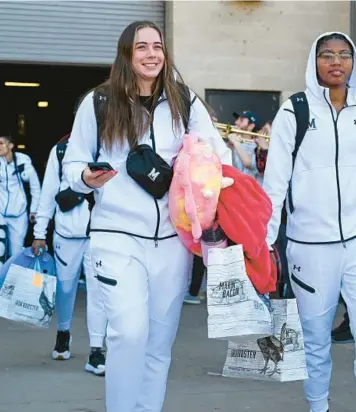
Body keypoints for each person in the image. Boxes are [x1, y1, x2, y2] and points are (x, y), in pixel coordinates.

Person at [62, 20, 231, 412]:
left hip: (173, 241)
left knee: (158, 343)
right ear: (127, 54)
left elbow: (216, 155)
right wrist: (87, 177)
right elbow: (72, 164)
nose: (152, 53)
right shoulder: (99, 102)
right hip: (117, 235)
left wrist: (212, 180)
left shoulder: (184, 100)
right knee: (129, 333)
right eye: (142, 47)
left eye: (157, 46)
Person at [262, 32, 356, 412]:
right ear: (315, 61)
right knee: (314, 337)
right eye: (327, 55)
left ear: (353, 62)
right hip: (310, 246)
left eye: (344, 55)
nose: (336, 62)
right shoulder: (294, 110)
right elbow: (275, 184)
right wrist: (262, 242)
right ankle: (317, 406)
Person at [32, 135, 108, 375]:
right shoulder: (61, 151)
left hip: (102, 233)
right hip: (68, 233)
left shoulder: (112, 148)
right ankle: (63, 332)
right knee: (65, 289)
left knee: (98, 292)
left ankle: (97, 349)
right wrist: (39, 232)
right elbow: (48, 192)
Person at [0, 135, 40, 257]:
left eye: (1, 143)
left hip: (19, 215)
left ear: (10, 145)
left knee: (15, 253)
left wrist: (33, 211)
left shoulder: (24, 164)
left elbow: (36, 189)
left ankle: (11, 275)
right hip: (1, 213)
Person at [227, 110, 263, 184]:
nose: (236, 122)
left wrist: (236, 142)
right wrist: (230, 145)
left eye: (241, 120)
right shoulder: (232, 142)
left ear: (251, 126)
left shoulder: (258, 146)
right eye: (237, 119)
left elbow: (249, 163)